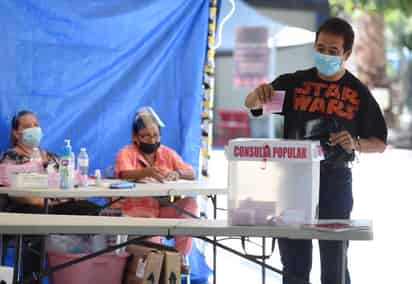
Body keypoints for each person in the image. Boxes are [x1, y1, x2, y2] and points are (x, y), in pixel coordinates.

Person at [244, 17, 387, 284]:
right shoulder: (294, 83)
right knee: (295, 264)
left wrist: (355, 143)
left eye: (333, 51)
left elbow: (379, 143)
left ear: (346, 54)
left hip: (335, 181)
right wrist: (258, 92)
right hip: (292, 182)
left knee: (334, 263)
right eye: (320, 48)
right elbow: (252, 104)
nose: (325, 55)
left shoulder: (357, 92)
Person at [0, 110, 100, 283]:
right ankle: (31, 280)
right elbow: (16, 195)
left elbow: (71, 180)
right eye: (28, 126)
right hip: (25, 208)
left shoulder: (51, 156)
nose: (34, 129)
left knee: (95, 212)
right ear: (16, 133)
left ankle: (89, 272)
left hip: (53, 205)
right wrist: (45, 202)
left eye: (36, 125)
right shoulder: (10, 157)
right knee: (38, 224)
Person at [112, 107, 197, 256]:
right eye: (145, 136)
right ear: (135, 137)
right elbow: (125, 174)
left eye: (156, 135)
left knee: (190, 204)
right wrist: (147, 172)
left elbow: (191, 173)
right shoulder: (126, 152)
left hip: (157, 212)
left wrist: (177, 173)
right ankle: (162, 263)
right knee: (154, 249)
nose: (152, 140)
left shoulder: (166, 153)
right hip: (130, 213)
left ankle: (179, 258)